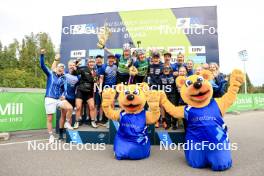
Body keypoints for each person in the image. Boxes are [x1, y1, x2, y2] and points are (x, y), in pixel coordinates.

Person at [40, 49, 73, 143]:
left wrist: (63, 95)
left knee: (70, 108)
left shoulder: (63, 79)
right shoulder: (50, 74)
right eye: (59, 67)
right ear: (56, 68)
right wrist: (42, 55)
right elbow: (42, 66)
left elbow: (64, 90)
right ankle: (51, 136)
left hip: (58, 99)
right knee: (50, 118)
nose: (61, 68)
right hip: (49, 98)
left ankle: (67, 122)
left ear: (63, 70)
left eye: (62, 68)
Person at [72, 58, 98, 129]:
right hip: (80, 91)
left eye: (93, 62)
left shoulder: (95, 72)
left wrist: (95, 77)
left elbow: (95, 82)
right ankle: (77, 122)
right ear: (88, 63)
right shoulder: (83, 69)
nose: (91, 63)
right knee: (78, 107)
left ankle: (92, 121)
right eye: (90, 62)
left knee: (92, 107)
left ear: (94, 63)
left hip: (89, 92)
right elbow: (75, 73)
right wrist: (75, 67)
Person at [58, 59, 79, 140]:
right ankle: (60, 134)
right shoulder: (64, 74)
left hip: (73, 98)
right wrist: (60, 95)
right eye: (70, 65)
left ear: (75, 66)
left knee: (69, 117)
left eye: (73, 65)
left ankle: (68, 135)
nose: (72, 67)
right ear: (68, 66)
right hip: (65, 98)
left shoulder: (78, 76)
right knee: (63, 115)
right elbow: (58, 84)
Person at [99, 54, 118, 125]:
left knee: (112, 103)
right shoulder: (103, 66)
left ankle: (112, 121)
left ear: (114, 59)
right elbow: (101, 78)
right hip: (106, 88)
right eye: (110, 58)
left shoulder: (116, 65)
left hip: (113, 87)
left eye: (112, 58)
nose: (111, 60)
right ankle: (106, 120)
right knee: (106, 104)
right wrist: (100, 88)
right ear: (107, 59)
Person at [160, 66, 177, 130]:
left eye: (168, 68)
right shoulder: (161, 77)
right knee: (166, 110)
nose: (166, 70)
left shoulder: (174, 76)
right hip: (165, 95)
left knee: (173, 109)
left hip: (173, 95)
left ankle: (174, 124)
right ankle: (168, 124)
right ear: (162, 70)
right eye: (164, 68)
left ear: (170, 70)